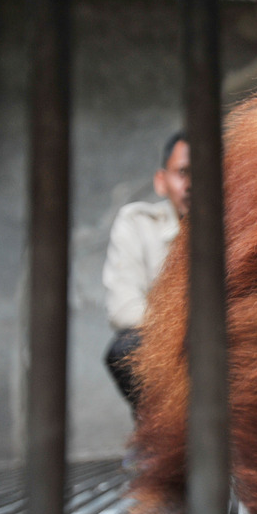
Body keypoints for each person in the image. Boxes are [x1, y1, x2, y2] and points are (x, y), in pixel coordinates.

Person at [103, 131, 190, 413]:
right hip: (167, 346)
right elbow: (123, 309)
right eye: (184, 172)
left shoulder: (242, 227)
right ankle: (158, 439)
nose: (194, 184)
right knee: (125, 349)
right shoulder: (137, 223)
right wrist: (185, 329)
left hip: (227, 344)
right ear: (161, 181)